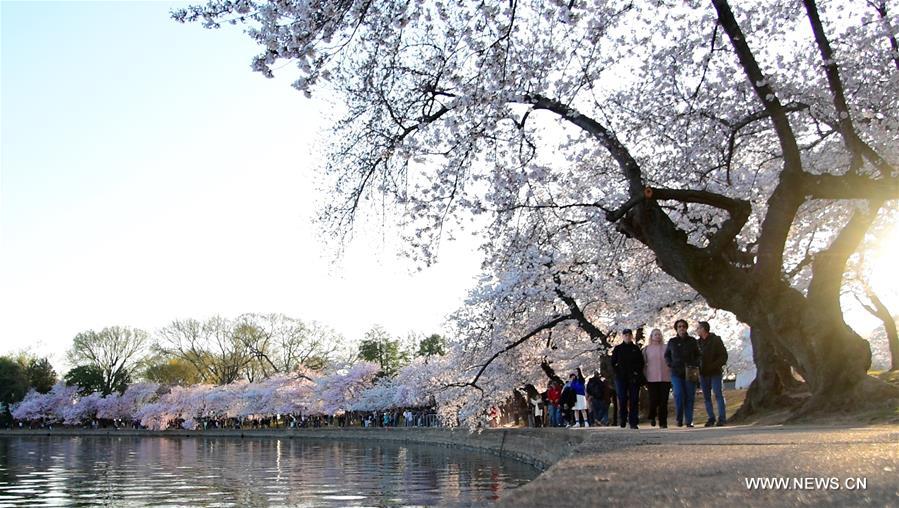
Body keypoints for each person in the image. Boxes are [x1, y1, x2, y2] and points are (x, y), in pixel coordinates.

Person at [665, 319, 700, 427]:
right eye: (679, 326)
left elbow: (698, 354)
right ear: (676, 328)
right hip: (676, 372)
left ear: (686, 328)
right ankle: (679, 418)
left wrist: (694, 363)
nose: (681, 328)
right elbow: (667, 355)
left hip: (690, 372)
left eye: (683, 326)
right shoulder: (672, 342)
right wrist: (670, 364)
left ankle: (689, 420)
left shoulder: (692, 341)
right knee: (679, 395)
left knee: (690, 396)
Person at [697, 321, 729, 427]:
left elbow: (723, 356)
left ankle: (722, 418)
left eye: (698, 328)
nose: (697, 330)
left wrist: (714, 365)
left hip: (715, 372)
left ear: (703, 329)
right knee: (706, 397)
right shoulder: (698, 343)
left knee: (718, 394)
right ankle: (711, 418)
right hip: (703, 374)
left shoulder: (716, 340)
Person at [611, 328, 644, 429]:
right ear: (623, 336)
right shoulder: (618, 349)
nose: (627, 337)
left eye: (629, 335)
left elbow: (641, 362)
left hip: (633, 377)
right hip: (621, 377)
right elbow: (613, 363)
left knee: (634, 399)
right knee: (622, 399)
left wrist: (636, 372)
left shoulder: (636, 348)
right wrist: (618, 372)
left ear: (631, 336)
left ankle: (633, 421)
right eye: (625, 335)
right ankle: (623, 419)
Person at [643, 328, 671, 428]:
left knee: (664, 401)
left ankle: (663, 422)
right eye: (655, 335)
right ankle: (652, 415)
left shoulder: (667, 347)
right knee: (653, 400)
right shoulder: (647, 349)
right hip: (651, 378)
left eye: (659, 334)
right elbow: (643, 364)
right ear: (651, 337)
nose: (658, 336)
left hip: (665, 377)